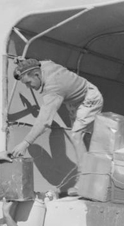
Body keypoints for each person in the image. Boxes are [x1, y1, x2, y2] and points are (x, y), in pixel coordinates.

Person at [11, 58, 104, 195]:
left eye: (29, 83)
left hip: (89, 98)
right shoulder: (43, 66)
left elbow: (44, 121)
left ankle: (85, 183)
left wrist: (25, 143)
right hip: (75, 102)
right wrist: (22, 64)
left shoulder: (53, 88)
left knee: (76, 136)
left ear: (37, 75)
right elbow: (41, 61)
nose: (29, 87)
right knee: (82, 139)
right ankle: (93, 176)